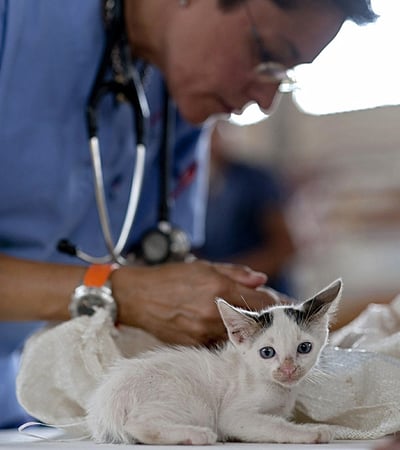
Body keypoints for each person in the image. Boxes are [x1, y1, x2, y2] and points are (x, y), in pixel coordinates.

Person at [0, 0, 377, 429]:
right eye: (267, 55)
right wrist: (123, 292)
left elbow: (159, 257)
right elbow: (135, 286)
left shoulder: (178, 94)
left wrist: (209, 305)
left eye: (284, 78)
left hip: (24, 405)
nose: (265, 98)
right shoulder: (14, 21)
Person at [197, 122, 296, 295]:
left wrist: (228, 275)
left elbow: (284, 248)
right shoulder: (188, 186)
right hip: (220, 296)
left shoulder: (255, 180)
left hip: (265, 294)